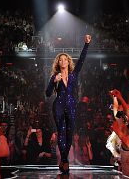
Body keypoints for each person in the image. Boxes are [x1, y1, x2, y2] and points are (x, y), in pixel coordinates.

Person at [46, 34, 91, 173]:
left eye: (65, 59)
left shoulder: (73, 74)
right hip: (58, 105)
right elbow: (48, 94)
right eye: (61, 60)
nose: (63, 61)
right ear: (58, 63)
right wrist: (54, 81)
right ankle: (65, 160)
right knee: (61, 132)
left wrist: (86, 44)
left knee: (70, 132)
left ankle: (64, 158)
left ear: (68, 62)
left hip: (71, 105)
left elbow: (82, 61)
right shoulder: (55, 76)